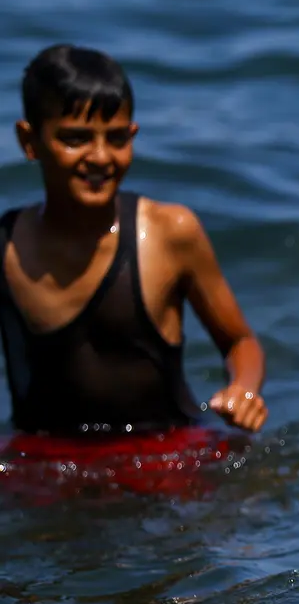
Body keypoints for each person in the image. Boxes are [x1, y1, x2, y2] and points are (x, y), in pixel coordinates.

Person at [0, 44, 268, 439]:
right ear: (29, 141)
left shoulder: (169, 233)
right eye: (75, 139)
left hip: (166, 452)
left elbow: (239, 340)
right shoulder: (6, 246)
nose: (100, 157)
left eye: (117, 138)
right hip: (45, 465)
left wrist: (243, 390)